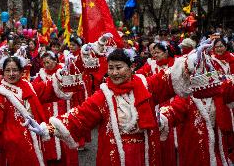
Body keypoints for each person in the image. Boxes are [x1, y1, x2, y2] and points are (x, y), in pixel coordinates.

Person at [28, 48, 181, 166]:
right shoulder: (104, 95)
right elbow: (80, 115)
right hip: (115, 155)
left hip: (145, 153)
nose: (114, 73)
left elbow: (170, 77)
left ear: (131, 67)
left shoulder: (146, 85)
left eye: (119, 67)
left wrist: (194, 60)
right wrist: (49, 128)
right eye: (111, 68)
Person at [0, 57, 49, 166]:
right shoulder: (0, 94)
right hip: (14, 147)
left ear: (21, 72)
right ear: (3, 72)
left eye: (15, 70)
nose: (11, 74)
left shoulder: (27, 86)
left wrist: (60, 77)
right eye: (7, 70)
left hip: (36, 142)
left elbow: (46, 89)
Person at [33, 51, 78, 166]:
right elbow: (35, 89)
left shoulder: (64, 71)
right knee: (50, 135)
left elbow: (73, 88)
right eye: (44, 63)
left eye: (48, 62)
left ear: (55, 61)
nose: (46, 65)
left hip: (64, 109)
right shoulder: (41, 75)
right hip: (48, 112)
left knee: (64, 133)